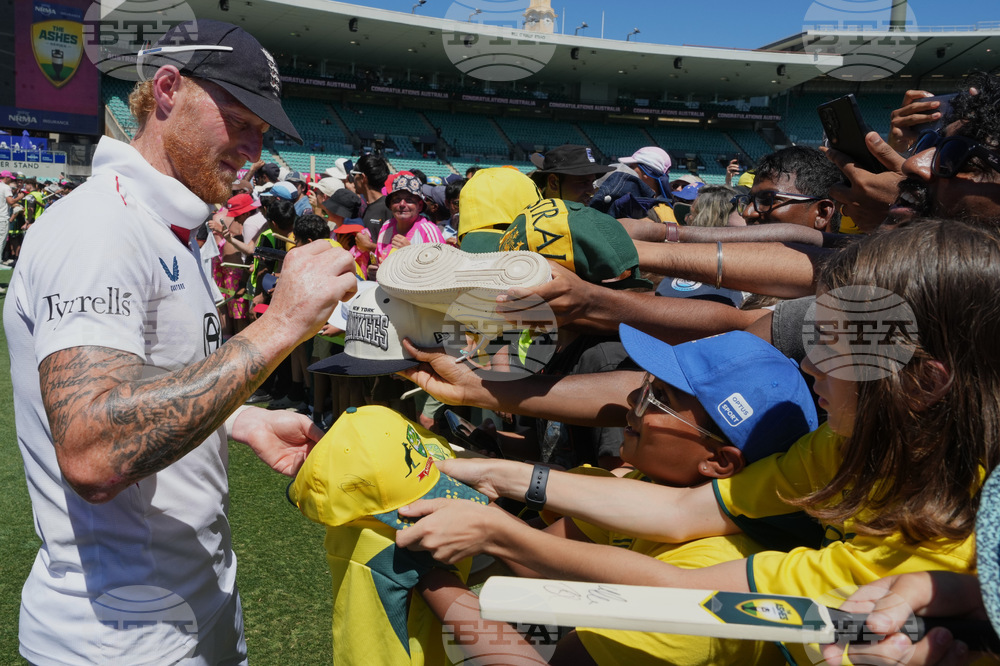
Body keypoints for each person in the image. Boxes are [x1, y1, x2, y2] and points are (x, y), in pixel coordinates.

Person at [397, 219, 1000, 665]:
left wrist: (492, 541)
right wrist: (503, 477)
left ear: (922, 381)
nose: (808, 364)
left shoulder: (941, 544)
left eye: (831, 347)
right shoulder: (851, 445)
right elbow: (687, 510)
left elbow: (691, 593)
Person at [3, 20, 357, 664]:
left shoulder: (170, 225)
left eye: (261, 130)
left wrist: (237, 418)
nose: (253, 147)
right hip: (118, 637)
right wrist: (278, 326)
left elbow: (153, 380)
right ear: (167, 90)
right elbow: (93, 449)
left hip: (194, 608)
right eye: (239, 119)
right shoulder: (99, 226)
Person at [374, 172, 446, 265]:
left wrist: (410, 252)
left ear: (419, 206)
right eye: (397, 200)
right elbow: (379, 259)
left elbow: (442, 267)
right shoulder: (386, 226)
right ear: (391, 205)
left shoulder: (428, 230)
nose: (402, 204)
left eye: (409, 200)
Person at [529, 144, 614, 204]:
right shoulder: (526, 219)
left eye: (592, 182)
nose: (591, 191)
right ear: (553, 182)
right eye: (583, 183)